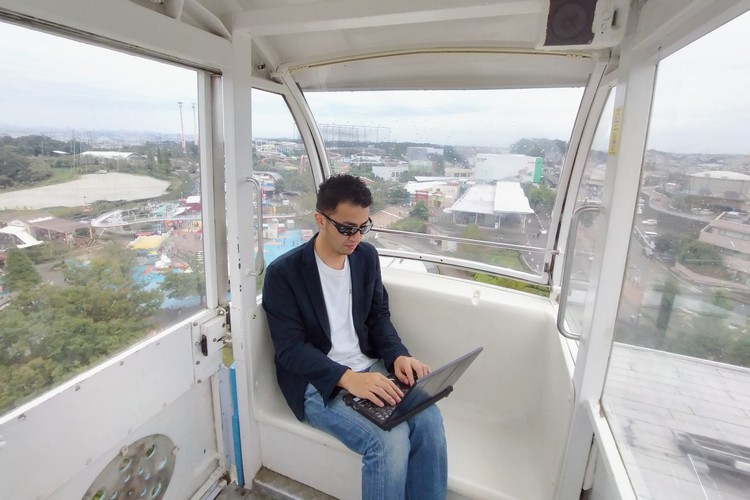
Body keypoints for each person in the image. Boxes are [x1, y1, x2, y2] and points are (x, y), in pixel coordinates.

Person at [262, 174, 447, 499]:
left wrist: (398, 356)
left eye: (364, 227)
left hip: (368, 366)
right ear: (320, 219)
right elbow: (290, 350)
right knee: (386, 440)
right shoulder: (284, 274)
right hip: (316, 381)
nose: (356, 237)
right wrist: (346, 378)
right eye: (347, 228)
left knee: (429, 420)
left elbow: (378, 318)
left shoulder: (366, 257)